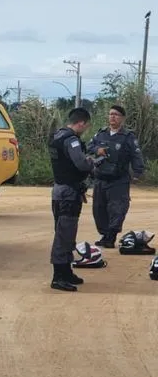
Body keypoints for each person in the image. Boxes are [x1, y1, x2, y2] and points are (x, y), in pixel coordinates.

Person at [48, 107, 95, 292]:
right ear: (81, 123)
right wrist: (92, 162)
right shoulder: (71, 140)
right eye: (86, 126)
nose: (86, 130)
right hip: (68, 192)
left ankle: (66, 272)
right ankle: (58, 276)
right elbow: (81, 164)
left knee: (66, 233)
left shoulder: (57, 136)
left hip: (60, 190)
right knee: (64, 235)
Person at [86, 105, 145, 248]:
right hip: (100, 178)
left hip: (118, 179)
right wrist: (97, 150)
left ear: (122, 118)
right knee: (99, 209)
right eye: (111, 114)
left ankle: (111, 236)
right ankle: (104, 234)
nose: (113, 117)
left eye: (116, 114)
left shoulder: (128, 137)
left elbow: (136, 155)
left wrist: (137, 172)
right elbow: (88, 147)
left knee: (117, 209)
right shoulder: (101, 134)